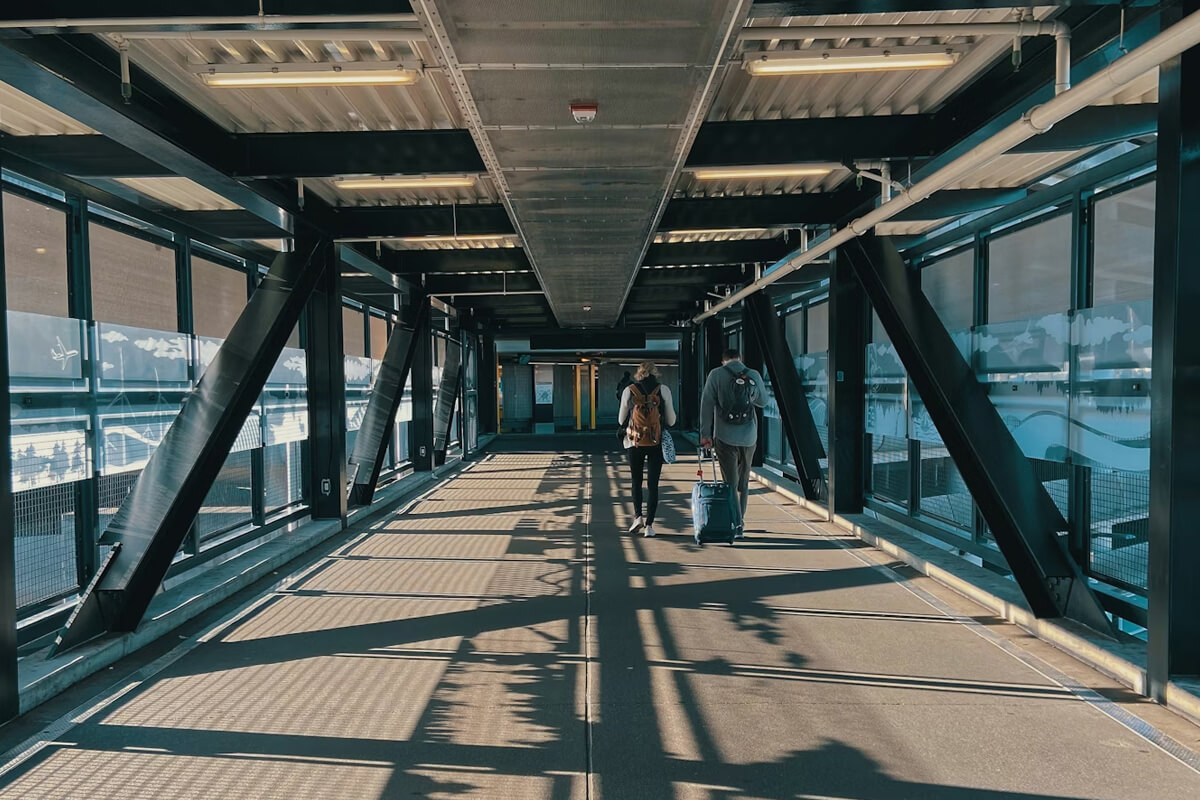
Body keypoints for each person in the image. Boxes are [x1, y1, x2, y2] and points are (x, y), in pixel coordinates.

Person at [699, 349, 767, 534]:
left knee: (730, 483)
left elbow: (706, 404)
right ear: (740, 359)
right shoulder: (753, 374)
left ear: (723, 361)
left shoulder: (716, 374)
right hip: (749, 436)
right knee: (743, 483)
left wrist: (705, 434)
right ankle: (740, 520)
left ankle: (737, 524)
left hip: (724, 436)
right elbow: (764, 401)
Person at [618, 361, 676, 538]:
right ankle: (650, 526)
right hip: (655, 443)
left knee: (636, 481)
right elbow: (672, 421)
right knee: (653, 485)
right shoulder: (663, 390)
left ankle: (638, 517)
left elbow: (621, 420)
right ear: (654, 373)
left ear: (638, 373)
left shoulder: (629, 390)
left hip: (634, 442)